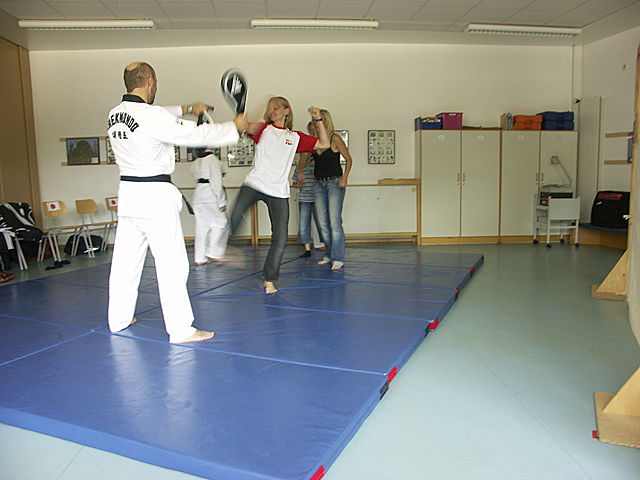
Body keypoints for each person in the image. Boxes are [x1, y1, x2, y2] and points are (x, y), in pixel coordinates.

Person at [107, 61, 247, 344]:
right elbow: (194, 134)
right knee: (172, 264)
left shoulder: (114, 114)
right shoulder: (152, 116)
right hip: (154, 197)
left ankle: (118, 320)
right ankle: (181, 329)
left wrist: (187, 108)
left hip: (129, 195)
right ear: (150, 80)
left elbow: (152, 116)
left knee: (125, 262)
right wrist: (233, 127)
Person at [229, 97, 330, 294]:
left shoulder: (295, 137)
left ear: (286, 111)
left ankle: (269, 280)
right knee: (236, 212)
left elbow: (324, 143)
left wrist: (318, 119)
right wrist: (244, 116)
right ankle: (226, 247)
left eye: (276, 107)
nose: (272, 111)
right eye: (269, 108)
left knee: (281, 238)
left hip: (278, 191)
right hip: (255, 184)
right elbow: (243, 125)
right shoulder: (263, 130)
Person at [301, 109, 352, 270]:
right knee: (322, 223)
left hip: (334, 182)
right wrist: (300, 170)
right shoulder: (315, 141)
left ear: (325, 121)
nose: (316, 123)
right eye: (314, 120)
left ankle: (338, 258)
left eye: (319, 120)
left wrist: (345, 177)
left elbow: (348, 159)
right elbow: (304, 158)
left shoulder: (334, 138)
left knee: (334, 222)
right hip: (318, 183)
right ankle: (329, 254)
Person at [190, 144, 229, 265]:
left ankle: (200, 258)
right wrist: (222, 201)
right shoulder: (212, 160)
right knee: (221, 224)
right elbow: (216, 182)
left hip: (198, 195)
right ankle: (214, 252)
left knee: (201, 229)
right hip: (211, 196)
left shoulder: (195, 161)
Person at [293, 145, 324, 257]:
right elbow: (294, 183)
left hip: (317, 198)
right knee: (304, 224)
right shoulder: (299, 168)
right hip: (304, 198)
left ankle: (322, 243)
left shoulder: (317, 165)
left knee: (320, 222)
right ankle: (307, 249)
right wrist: (298, 184)